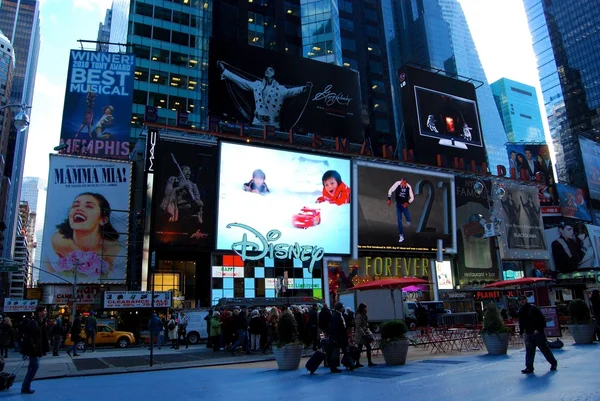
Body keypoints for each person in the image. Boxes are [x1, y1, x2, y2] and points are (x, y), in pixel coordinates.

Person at [218, 61, 312, 129]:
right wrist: (224, 71)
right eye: (266, 69)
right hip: (257, 123)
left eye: (270, 70)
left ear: (274, 73)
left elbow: (292, 91)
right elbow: (241, 81)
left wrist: (304, 88)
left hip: (273, 126)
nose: (267, 71)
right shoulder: (257, 85)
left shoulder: (280, 89)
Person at [47, 192, 121, 278]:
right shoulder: (57, 241)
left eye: (89, 206)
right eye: (75, 205)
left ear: (103, 220)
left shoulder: (113, 249)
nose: (79, 209)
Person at [518, 295, 557, 374]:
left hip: (537, 332)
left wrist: (539, 329)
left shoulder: (533, 308)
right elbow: (521, 322)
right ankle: (529, 367)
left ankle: (553, 363)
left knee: (544, 349)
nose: (522, 301)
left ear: (526, 299)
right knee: (529, 351)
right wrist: (521, 332)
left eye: (523, 299)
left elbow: (541, 319)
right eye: (520, 300)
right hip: (528, 332)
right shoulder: (521, 310)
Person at [21, 306, 50, 394]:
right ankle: (25, 386)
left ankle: (26, 386)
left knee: (32, 367)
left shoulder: (40, 322)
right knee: (34, 366)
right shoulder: (34, 322)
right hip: (33, 349)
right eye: (44, 311)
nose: (46, 312)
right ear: (39, 312)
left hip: (36, 348)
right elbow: (31, 336)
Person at [387, 178, 414, 243]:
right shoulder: (397, 183)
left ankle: (408, 221)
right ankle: (401, 235)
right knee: (399, 219)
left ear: (405, 183)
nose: (401, 184)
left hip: (404, 205)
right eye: (401, 182)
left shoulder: (408, 187)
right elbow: (390, 190)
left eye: (403, 183)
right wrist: (389, 199)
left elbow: (412, 197)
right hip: (398, 204)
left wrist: (408, 202)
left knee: (408, 217)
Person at [354, 303, 376, 367]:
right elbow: (358, 326)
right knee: (363, 348)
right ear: (362, 308)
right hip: (361, 335)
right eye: (365, 307)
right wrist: (363, 334)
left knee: (361, 348)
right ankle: (363, 362)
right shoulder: (359, 315)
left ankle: (359, 362)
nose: (366, 309)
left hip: (364, 334)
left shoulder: (363, 315)